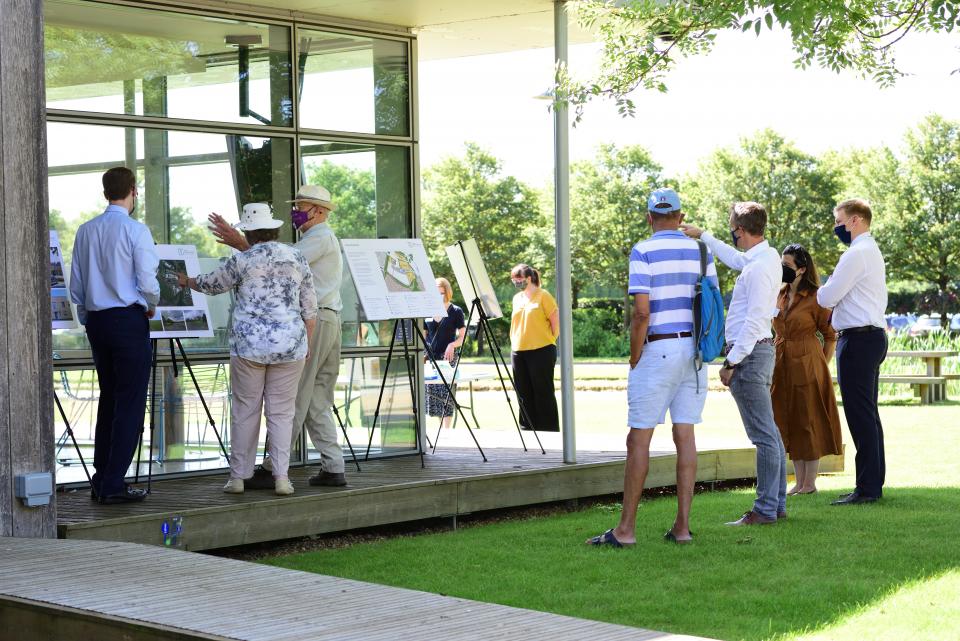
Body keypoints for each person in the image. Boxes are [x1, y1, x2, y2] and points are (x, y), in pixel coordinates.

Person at [586, 188, 717, 547]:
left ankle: (625, 530)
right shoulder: (702, 250)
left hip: (657, 348)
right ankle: (683, 527)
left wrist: (633, 356)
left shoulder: (643, 251)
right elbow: (711, 305)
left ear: (649, 217)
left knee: (639, 438)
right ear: (680, 215)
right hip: (694, 352)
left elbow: (642, 312)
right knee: (685, 435)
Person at [209, 185, 349, 488]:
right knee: (317, 398)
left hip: (317, 320)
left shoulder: (319, 238)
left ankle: (273, 467)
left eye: (303, 206)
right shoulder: (318, 238)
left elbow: (275, 263)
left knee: (296, 396)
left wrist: (241, 243)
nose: (296, 211)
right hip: (329, 317)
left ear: (321, 211)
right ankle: (333, 464)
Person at [179, 203, 317, 496]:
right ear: (274, 228)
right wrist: (307, 344)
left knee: (245, 410)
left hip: (248, 346)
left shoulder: (243, 260)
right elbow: (310, 308)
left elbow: (212, 284)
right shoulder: (297, 257)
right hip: (290, 345)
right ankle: (281, 478)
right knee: (282, 414)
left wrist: (185, 281)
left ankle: (238, 478)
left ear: (249, 233)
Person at [682, 202, 786, 526]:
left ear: (740, 230)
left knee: (764, 436)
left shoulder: (757, 268)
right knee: (770, 434)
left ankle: (765, 509)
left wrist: (731, 362)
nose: (733, 234)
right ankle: (776, 504)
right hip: (759, 353)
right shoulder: (765, 257)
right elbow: (735, 258)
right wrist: (704, 236)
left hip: (750, 355)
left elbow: (754, 322)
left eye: (732, 228)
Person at [70, 167, 159, 504]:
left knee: (109, 397)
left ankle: (101, 475)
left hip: (97, 322)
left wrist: (86, 314)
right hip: (127, 320)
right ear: (132, 191)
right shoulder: (136, 230)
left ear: (105, 191)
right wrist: (151, 304)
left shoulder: (85, 230)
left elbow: (77, 282)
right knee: (131, 401)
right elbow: (147, 280)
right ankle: (112, 483)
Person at [816, 199, 888, 505]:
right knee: (869, 414)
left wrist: (828, 283)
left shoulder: (856, 253)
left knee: (860, 415)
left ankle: (867, 488)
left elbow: (826, 296)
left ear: (855, 220)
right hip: (870, 337)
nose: (836, 227)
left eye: (839, 220)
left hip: (858, 340)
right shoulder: (870, 251)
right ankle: (872, 483)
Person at [773, 244, 843, 495]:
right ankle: (798, 481)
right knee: (788, 419)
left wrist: (821, 366)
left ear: (802, 269)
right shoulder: (779, 293)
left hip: (807, 362)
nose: (782, 269)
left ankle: (809, 483)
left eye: (787, 266)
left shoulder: (817, 296)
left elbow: (830, 335)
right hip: (780, 362)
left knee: (808, 420)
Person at [509, 264, 560, 432]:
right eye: (514, 279)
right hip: (518, 351)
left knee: (543, 392)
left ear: (529, 278)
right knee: (523, 393)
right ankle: (527, 428)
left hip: (541, 350)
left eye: (519, 279)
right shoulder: (517, 298)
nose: (516, 282)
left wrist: (549, 339)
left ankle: (548, 429)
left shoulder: (543, 295)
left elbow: (555, 322)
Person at [425, 278, 467, 429]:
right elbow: (423, 335)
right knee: (432, 397)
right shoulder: (427, 310)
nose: (438, 296)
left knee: (446, 395)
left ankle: (446, 431)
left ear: (447, 292)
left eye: (441, 293)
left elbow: (463, 336)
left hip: (448, 359)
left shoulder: (456, 311)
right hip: (430, 358)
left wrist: (452, 344)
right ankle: (439, 432)